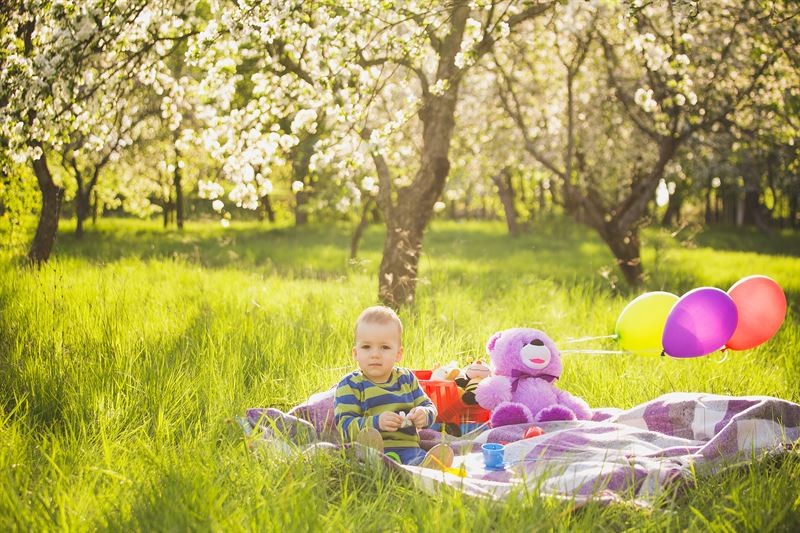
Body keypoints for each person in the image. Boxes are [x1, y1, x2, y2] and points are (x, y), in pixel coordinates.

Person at [334, 305, 454, 468]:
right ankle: (375, 465)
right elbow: (344, 426)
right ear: (356, 353)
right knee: (365, 455)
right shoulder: (350, 384)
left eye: (384, 347)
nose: (375, 354)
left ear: (398, 354)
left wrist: (423, 414)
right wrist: (376, 422)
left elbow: (429, 406)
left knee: (416, 460)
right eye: (366, 347)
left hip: (407, 449)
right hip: (371, 447)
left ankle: (425, 470)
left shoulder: (406, 379)